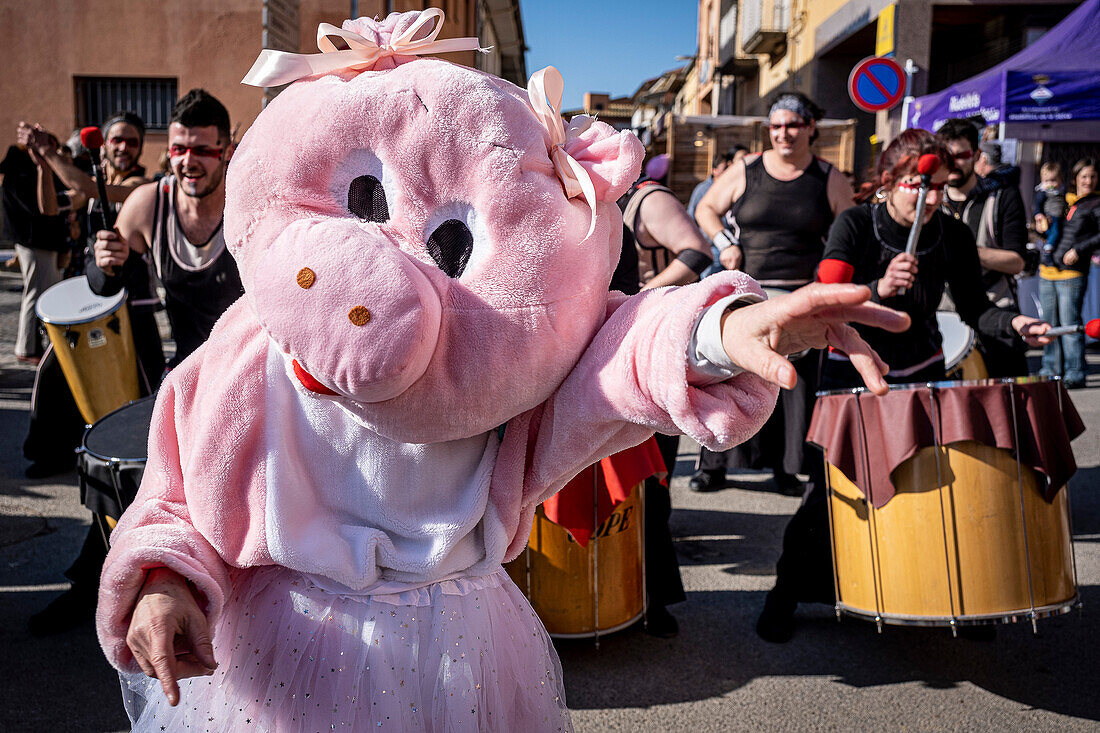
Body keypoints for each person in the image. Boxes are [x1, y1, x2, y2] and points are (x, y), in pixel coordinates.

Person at [755, 129, 1051, 643]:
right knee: (832, 496)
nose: (932, 198)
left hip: (923, 373)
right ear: (890, 182)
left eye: (940, 187)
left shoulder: (953, 235)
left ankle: (956, 595)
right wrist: (877, 288)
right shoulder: (854, 223)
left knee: (932, 488)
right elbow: (822, 297)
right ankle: (786, 595)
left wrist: (1014, 324)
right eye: (921, 186)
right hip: (855, 376)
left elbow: (977, 309)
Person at [690, 91, 854, 493]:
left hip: (800, 295)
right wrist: (724, 243)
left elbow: (849, 233)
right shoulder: (748, 169)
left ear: (810, 128)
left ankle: (785, 468)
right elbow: (705, 209)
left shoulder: (829, 178)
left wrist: (831, 278)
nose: (784, 134)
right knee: (727, 377)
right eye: (776, 126)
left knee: (789, 385)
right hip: (745, 293)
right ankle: (714, 465)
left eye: (793, 125)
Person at [615, 153, 716, 637]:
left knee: (650, 475)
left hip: (652, 339)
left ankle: (652, 598)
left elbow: (696, 252)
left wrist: (642, 298)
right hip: (609, 346)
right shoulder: (585, 205)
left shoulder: (644, 200)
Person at [90, 89, 244, 366]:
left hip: (252, 368)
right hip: (188, 367)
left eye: (202, 150)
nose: (188, 161)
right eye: (179, 149)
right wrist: (104, 263)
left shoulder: (250, 204)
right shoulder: (149, 204)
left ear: (227, 151)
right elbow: (106, 286)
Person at [936, 119, 1030, 376]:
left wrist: (965, 251)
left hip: (996, 312)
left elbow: (1017, 261)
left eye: (962, 155)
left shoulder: (1001, 197)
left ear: (977, 156)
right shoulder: (930, 201)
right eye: (946, 155)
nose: (953, 162)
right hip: (945, 319)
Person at [1, 137, 73, 364]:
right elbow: (41, 210)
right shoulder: (23, 171)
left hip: (38, 240)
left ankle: (32, 344)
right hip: (35, 240)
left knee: (40, 289)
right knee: (37, 290)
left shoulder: (24, 170)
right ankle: (28, 347)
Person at [1039, 158, 1099, 388]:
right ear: (1075, 178)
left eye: (1092, 176)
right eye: (1084, 176)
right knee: (1049, 325)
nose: (1088, 181)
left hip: (1072, 274)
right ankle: (1050, 369)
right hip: (1048, 270)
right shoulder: (1064, 199)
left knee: (1070, 324)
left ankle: (1074, 371)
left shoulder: (1096, 203)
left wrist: (1079, 249)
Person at [1034, 161, 1066, 266]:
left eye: (1053, 180)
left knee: (1056, 232)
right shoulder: (1043, 192)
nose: (1050, 184)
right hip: (1049, 216)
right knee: (1053, 232)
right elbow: (1038, 205)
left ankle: (1048, 246)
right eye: (1047, 181)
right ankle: (1048, 247)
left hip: (1059, 216)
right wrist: (1039, 214)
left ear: (1060, 180)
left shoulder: (1061, 191)